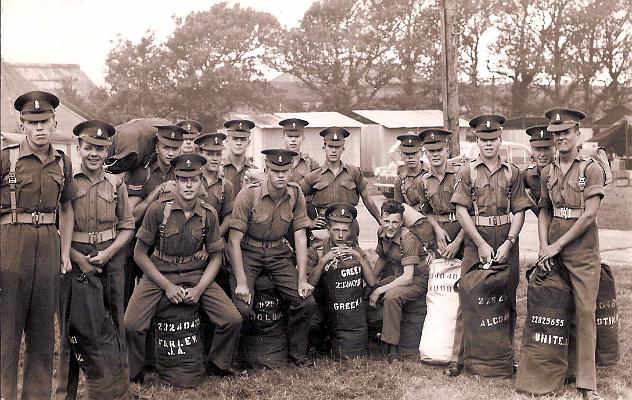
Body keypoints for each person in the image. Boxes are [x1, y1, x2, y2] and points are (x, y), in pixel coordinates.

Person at [124, 154, 242, 381]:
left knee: (232, 319)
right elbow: (139, 254)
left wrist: (199, 289)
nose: (189, 185)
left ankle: (217, 365)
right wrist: (167, 286)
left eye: (194, 180)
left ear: (201, 183)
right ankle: (136, 372)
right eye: (183, 180)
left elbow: (216, 258)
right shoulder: (159, 210)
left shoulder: (209, 214)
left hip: (196, 272)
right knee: (132, 324)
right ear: (175, 182)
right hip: (161, 272)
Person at [446, 114, 533, 377]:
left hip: (505, 237)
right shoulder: (467, 171)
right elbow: (462, 210)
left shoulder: (512, 172)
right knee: (468, 295)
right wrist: (480, 244)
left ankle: (505, 356)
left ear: (500, 140)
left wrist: (509, 242)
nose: (488, 144)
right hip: (477, 238)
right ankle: (457, 358)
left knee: (508, 297)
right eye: (483, 140)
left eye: (492, 139)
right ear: (477, 141)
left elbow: (520, 210)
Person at [1, 91, 75, 400]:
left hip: (48, 245)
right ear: (23, 125)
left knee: (43, 331)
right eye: (33, 123)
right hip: (10, 242)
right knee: (7, 331)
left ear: (55, 122)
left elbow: (67, 208)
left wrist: (66, 252)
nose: (40, 128)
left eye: (45, 121)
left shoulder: (63, 161)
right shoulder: (7, 156)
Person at [56, 120, 135, 400]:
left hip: (110, 260)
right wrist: (77, 258)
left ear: (107, 152)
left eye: (100, 149)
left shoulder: (116, 183)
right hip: (75, 259)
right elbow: (55, 226)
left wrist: (109, 253)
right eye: (88, 147)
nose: (94, 154)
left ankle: (118, 390)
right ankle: (65, 393)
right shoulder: (66, 182)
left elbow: (127, 226)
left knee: (115, 325)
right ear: (78, 148)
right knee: (71, 327)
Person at [537, 108, 605, 400]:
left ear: (578, 133)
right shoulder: (547, 171)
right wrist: (544, 246)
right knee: (555, 309)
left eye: (565, 132)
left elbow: (589, 215)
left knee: (585, 311)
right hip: (553, 247)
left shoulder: (591, 168)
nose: (560, 138)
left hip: (582, 249)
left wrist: (557, 245)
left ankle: (586, 383)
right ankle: (555, 371)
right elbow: (544, 209)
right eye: (555, 134)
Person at [228, 149, 315, 365]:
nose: (281, 176)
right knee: (242, 307)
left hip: (278, 253)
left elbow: (300, 237)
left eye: (285, 171)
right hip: (250, 251)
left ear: (291, 171)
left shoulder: (295, 194)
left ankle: (296, 354)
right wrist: (241, 283)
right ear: (266, 170)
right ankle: (239, 356)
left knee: (304, 301)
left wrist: (302, 279)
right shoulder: (248, 195)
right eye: (275, 171)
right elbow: (233, 241)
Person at [123, 125, 185, 305]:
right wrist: (156, 192)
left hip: (165, 247)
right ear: (157, 148)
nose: (170, 153)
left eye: (175, 148)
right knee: (126, 298)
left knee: (158, 300)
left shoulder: (182, 174)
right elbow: (132, 215)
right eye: (166, 147)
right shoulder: (143, 172)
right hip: (136, 244)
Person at [307, 202, 376, 358]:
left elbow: (371, 282)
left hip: (348, 308)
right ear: (328, 230)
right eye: (336, 230)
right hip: (322, 304)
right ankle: (317, 344)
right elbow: (309, 284)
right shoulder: (316, 251)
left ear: (350, 232)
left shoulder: (355, 249)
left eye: (344, 231)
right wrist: (324, 261)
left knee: (375, 316)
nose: (340, 236)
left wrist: (358, 257)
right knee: (312, 320)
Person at [369, 200, 429, 362]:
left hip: (417, 280)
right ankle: (371, 333)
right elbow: (382, 257)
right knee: (367, 289)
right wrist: (372, 282)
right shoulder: (382, 233)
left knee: (392, 297)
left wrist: (379, 290)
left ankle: (392, 349)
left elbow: (408, 277)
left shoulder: (408, 239)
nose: (390, 226)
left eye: (395, 222)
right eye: (386, 221)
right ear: (381, 219)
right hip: (397, 275)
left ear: (402, 222)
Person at [299, 127, 381, 241]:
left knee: (351, 257)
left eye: (337, 147)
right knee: (324, 257)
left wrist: (381, 221)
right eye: (330, 147)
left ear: (343, 149)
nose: (334, 151)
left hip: (349, 226)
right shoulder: (314, 176)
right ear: (324, 148)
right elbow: (295, 198)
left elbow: (367, 199)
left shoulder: (354, 172)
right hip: (324, 226)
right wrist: (308, 221)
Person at [416, 129, 465, 260]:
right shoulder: (423, 181)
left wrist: (458, 242)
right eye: (431, 151)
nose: (435, 155)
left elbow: (473, 211)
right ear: (425, 154)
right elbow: (427, 211)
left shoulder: (461, 174)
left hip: (464, 230)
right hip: (441, 233)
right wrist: (437, 229)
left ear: (447, 152)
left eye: (439, 150)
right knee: (441, 275)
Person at [195, 132, 235, 237]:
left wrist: (214, 240)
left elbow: (228, 217)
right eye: (209, 154)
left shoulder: (226, 186)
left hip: (214, 237)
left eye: (218, 154)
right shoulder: (190, 180)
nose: (215, 158)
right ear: (200, 154)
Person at [522, 125, 555, 215]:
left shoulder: (563, 171)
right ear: (532, 150)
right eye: (537, 149)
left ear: (555, 149)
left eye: (547, 149)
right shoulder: (528, 175)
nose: (542, 154)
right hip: (543, 224)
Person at [279, 118, 320, 183]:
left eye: (297, 136)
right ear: (283, 138)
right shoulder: (275, 162)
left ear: (303, 139)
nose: (293, 140)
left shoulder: (312, 164)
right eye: (289, 136)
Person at [222, 119, 257, 194]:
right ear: (227, 140)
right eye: (235, 139)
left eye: (243, 139)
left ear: (249, 142)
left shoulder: (255, 171)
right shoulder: (219, 170)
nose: (239, 143)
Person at [393, 134, 426, 211]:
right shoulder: (400, 181)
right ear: (401, 155)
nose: (410, 157)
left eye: (414, 153)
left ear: (421, 153)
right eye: (406, 154)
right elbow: (398, 208)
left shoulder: (431, 173)